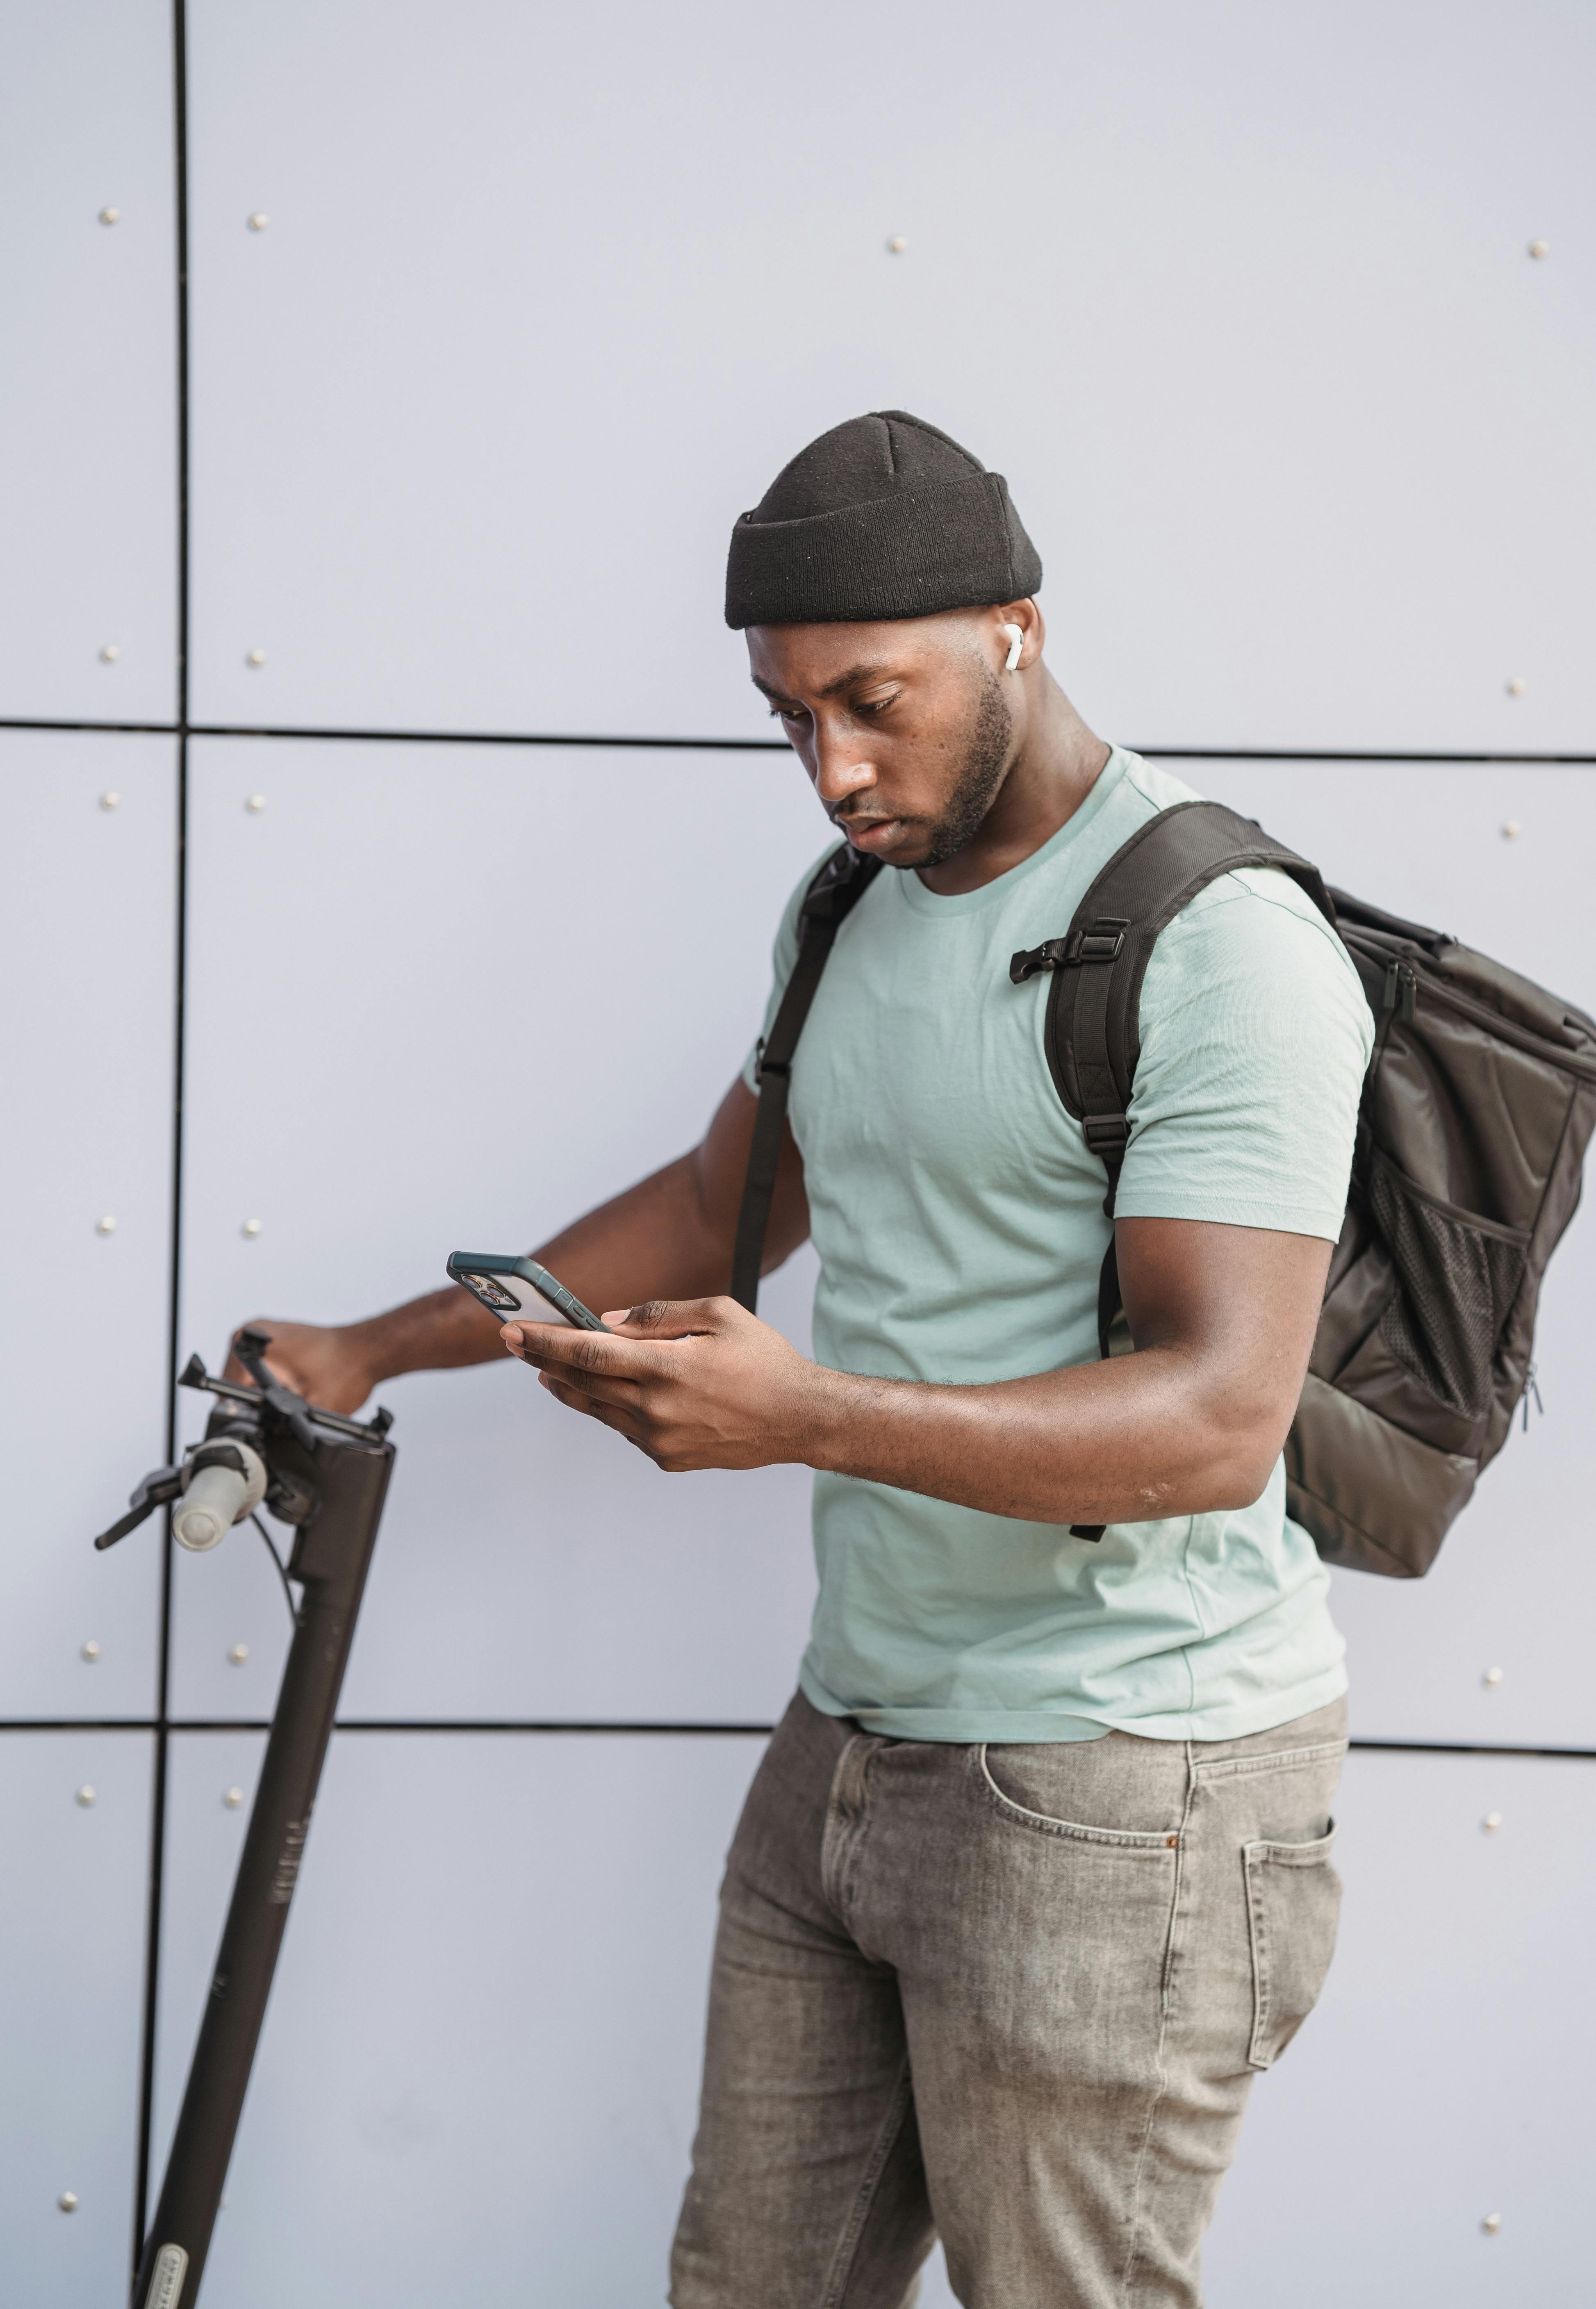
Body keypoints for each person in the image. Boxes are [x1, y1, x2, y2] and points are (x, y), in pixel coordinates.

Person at [236, 410, 1374, 2308]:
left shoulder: (1214, 943)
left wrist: (803, 1418)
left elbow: (1214, 1420)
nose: (833, 770)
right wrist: (382, 1344)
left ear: (1013, 631)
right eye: (789, 719)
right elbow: (723, 1202)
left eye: (872, 704)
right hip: (851, 1736)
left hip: (1124, 1779)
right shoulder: (850, 903)